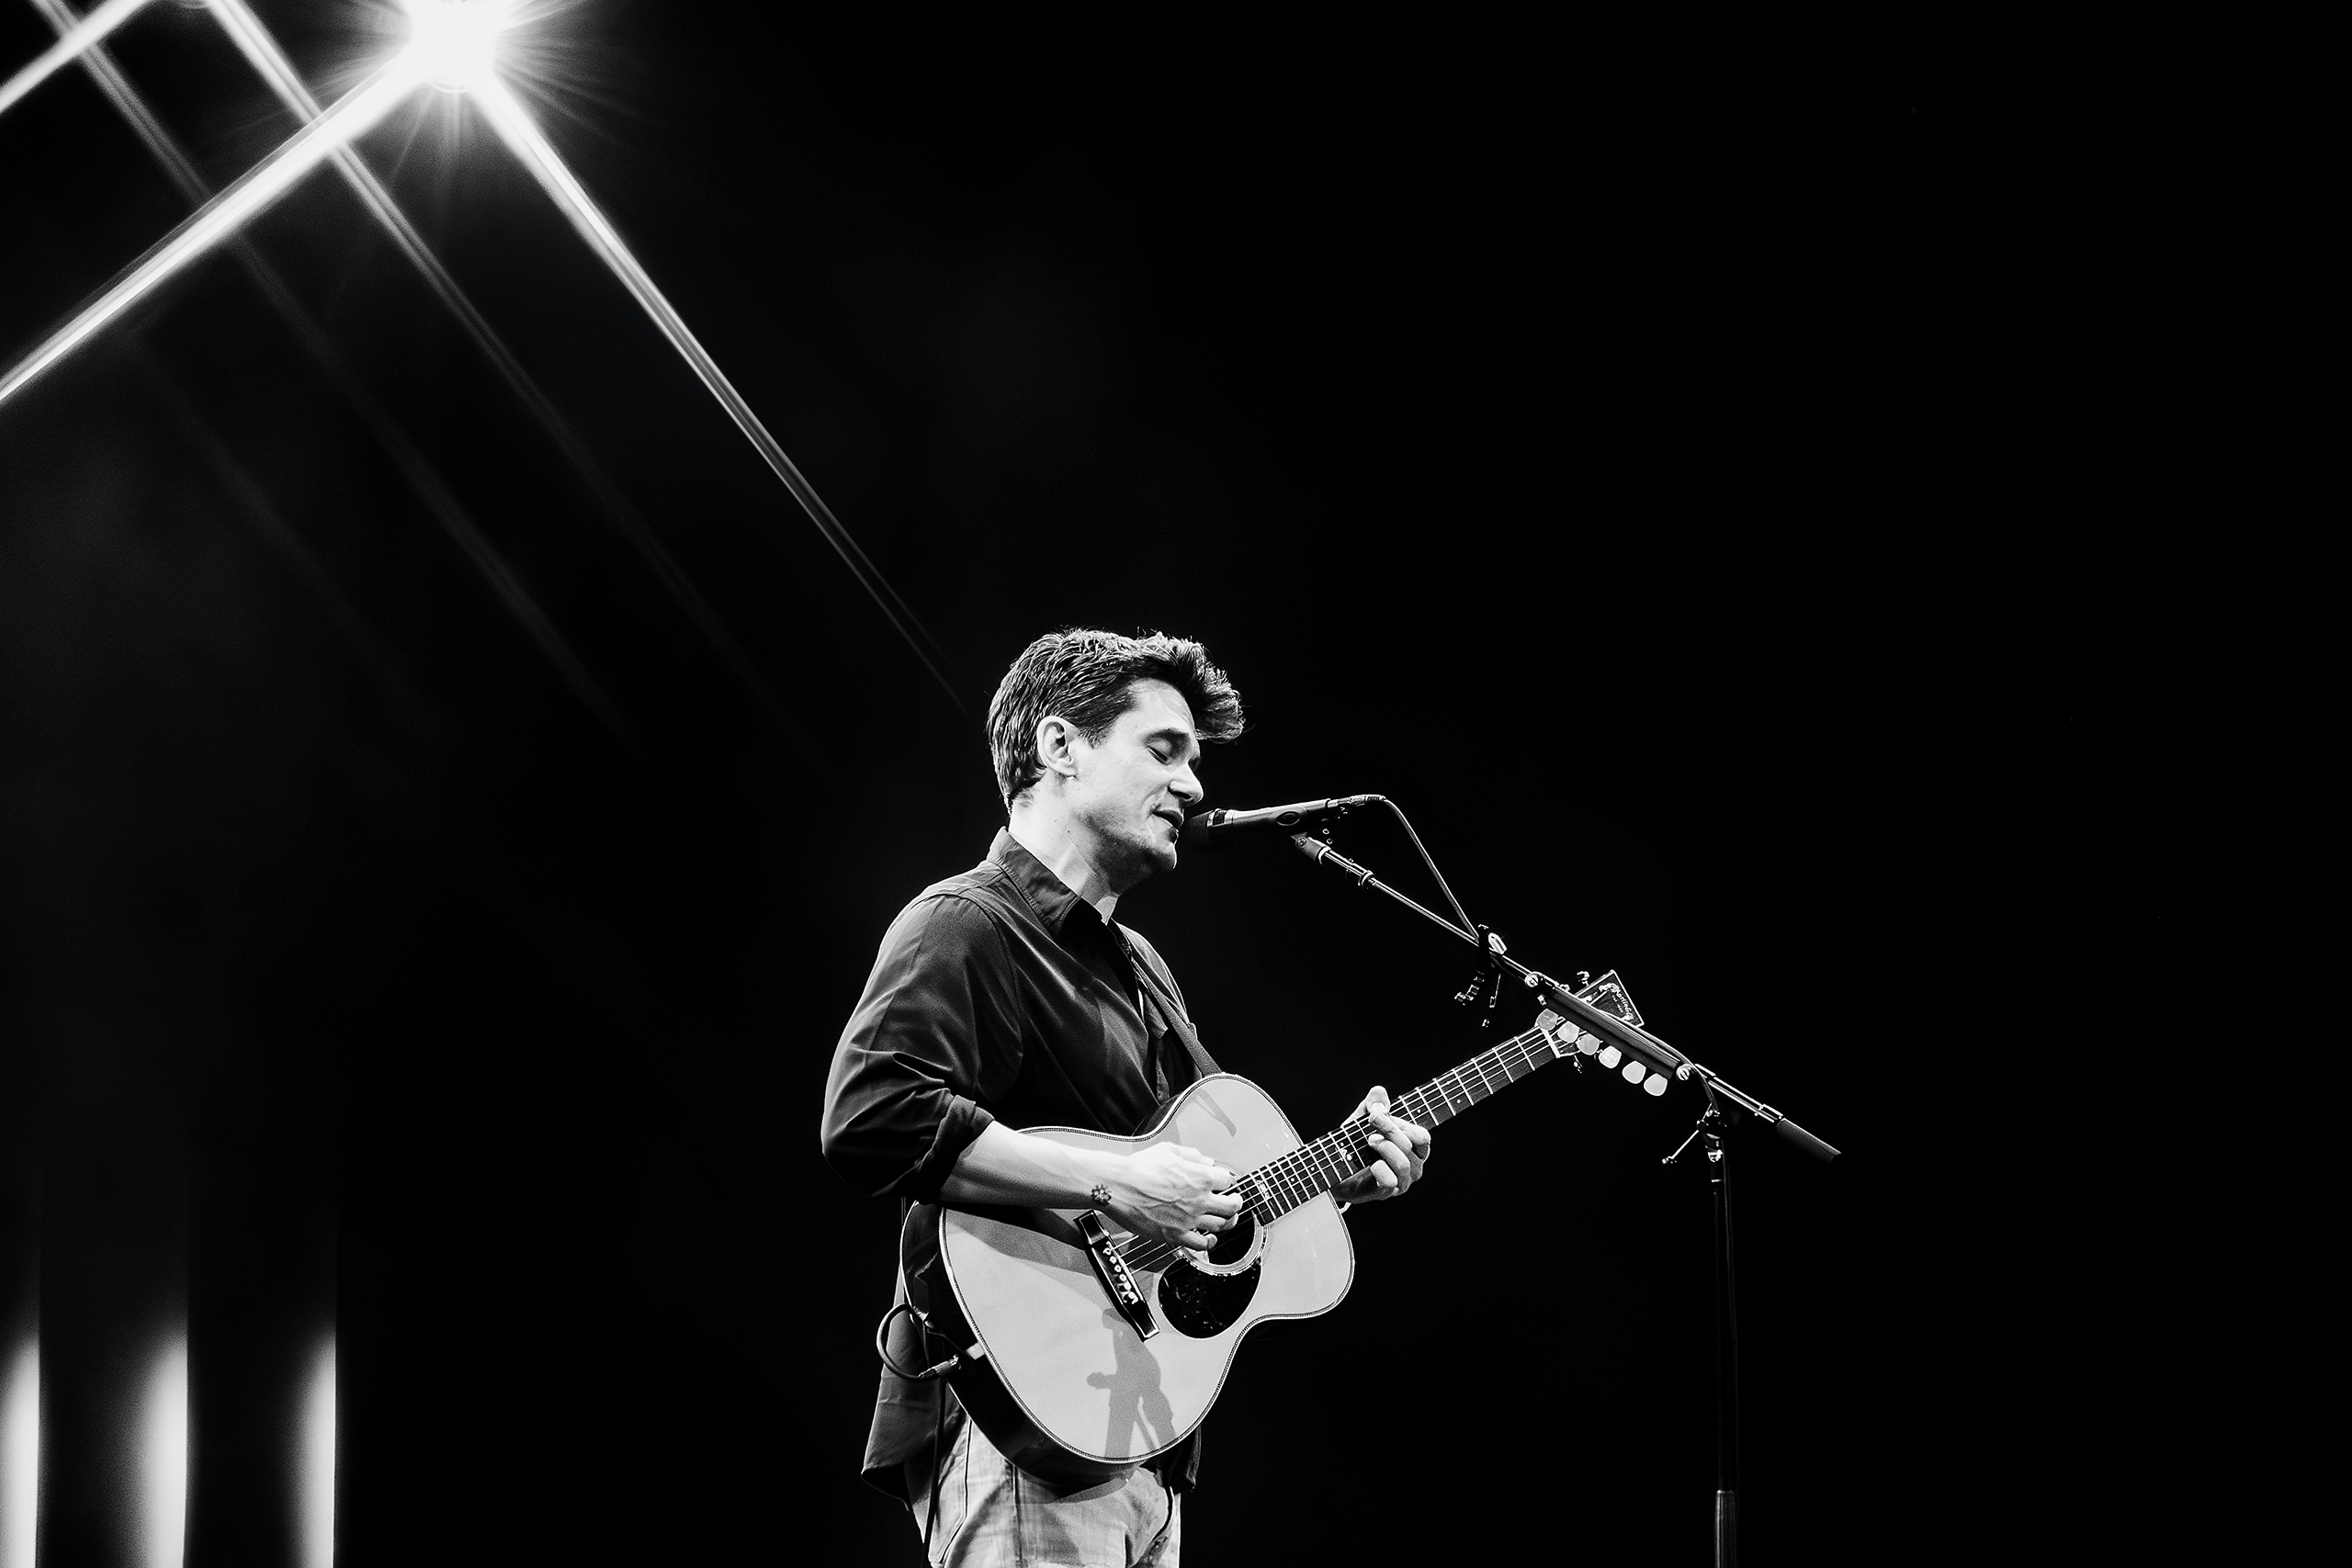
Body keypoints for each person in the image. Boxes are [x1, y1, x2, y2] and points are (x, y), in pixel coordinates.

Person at [820, 628, 1432, 1567]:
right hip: (1018, 1421)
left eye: (1195, 759)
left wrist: (1336, 1179)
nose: (1193, 784)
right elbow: (871, 1116)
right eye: (1165, 750)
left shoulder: (1144, 969)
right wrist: (1116, 1184)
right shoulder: (965, 923)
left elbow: (1206, 1198)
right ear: (1060, 748)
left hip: (1140, 1434)